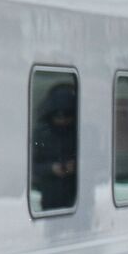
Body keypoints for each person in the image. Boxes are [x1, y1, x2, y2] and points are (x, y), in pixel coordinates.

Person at [32, 82, 78, 211]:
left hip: (76, 196)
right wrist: (52, 169)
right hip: (51, 197)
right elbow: (31, 166)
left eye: (67, 116)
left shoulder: (81, 133)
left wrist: (76, 166)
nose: (62, 120)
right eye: (58, 116)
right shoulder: (42, 134)